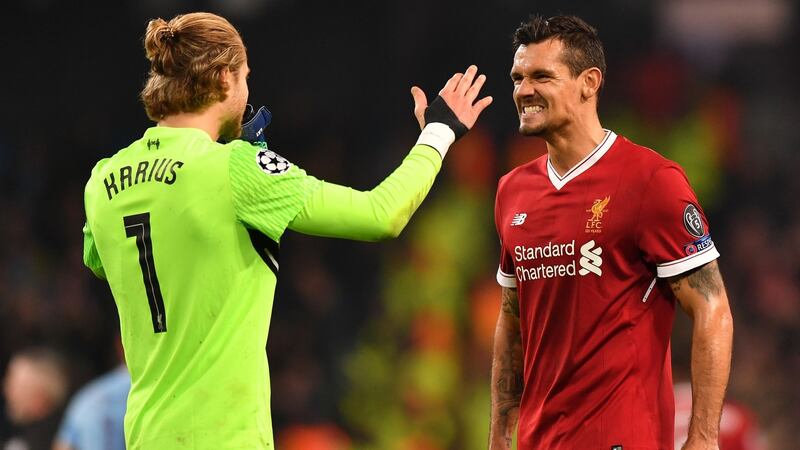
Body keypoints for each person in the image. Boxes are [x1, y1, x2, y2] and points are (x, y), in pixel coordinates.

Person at [81, 11, 491, 450]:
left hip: (146, 435)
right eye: (245, 78)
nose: (247, 91)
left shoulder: (103, 180)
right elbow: (380, 214)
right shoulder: (237, 169)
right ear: (223, 79)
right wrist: (438, 134)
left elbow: (102, 262)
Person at [489, 15, 733, 449]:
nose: (523, 90)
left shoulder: (650, 180)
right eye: (518, 77)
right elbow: (512, 322)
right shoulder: (512, 191)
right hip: (537, 442)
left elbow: (712, 308)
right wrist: (498, 435)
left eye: (541, 76)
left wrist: (703, 438)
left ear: (589, 82)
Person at [1, 347, 69, 450]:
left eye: (15, 386)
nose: (6, 391)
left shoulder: (59, 440)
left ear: (39, 398)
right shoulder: (18, 431)